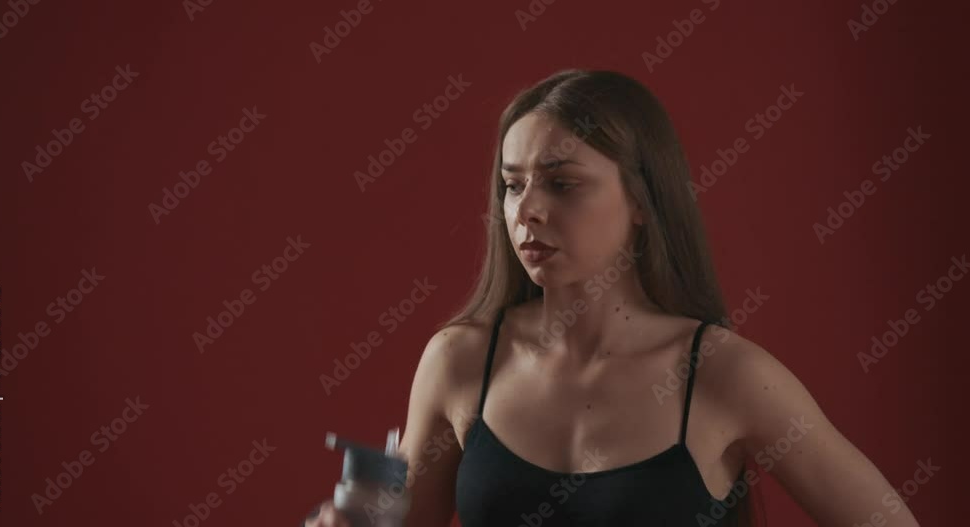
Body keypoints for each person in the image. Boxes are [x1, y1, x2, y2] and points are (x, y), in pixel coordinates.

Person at [307, 69, 920, 526]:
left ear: (641, 203)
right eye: (512, 185)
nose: (527, 211)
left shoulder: (726, 376)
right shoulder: (459, 363)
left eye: (563, 183)